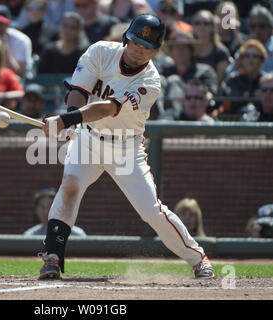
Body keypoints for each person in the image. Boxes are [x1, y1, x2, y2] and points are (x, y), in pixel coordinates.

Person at [38, 14, 214, 279]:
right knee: (70, 186)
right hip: (88, 139)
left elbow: (109, 108)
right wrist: (71, 120)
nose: (139, 50)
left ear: (156, 51)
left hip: (125, 148)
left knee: (151, 211)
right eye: (135, 43)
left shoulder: (151, 82)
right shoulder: (99, 51)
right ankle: (52, 257)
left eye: (147, 47)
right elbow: (79, 90)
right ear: (126, 39)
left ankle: (198, 257)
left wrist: (66, 120)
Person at [161, 32, 218, 113]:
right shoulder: (165, 73)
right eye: (176, 48)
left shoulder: (205, 71)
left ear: (191, 51)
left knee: (174, 80)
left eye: (183, 47)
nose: (180, 51)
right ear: (171, 52)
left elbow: (211, 93)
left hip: (197, 115)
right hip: (167, 115)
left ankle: (178, 117)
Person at [219, 39, 267, 116]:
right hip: (234, 120)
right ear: (241, 59)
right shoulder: (232, 80)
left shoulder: (267, 82)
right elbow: (225, 107)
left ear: (261, 60)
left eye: (255, 56)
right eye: (247, 56)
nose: (251, 60)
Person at [192, 9, 231, 84]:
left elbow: (218, 81)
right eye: (197, 23)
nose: (201, 26)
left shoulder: (221, 52)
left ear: (213, 27)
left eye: (206, 23)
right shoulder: (189, 50)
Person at [247, 4, 273, 72]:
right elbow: (230, 72)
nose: (257, 30)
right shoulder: (246, 47)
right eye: (253, 26)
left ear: (270, 29)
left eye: (262, 26)